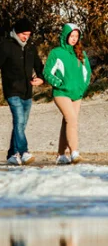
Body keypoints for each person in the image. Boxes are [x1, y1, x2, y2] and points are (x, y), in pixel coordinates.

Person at [0, 17, 44, 166]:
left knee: (20, 125)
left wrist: (41, 79)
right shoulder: (5, 46)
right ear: (16, 32)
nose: (26, 37)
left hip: (27, 92)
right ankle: (24, 152)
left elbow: (39, 66)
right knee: (19, 120)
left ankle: (12, 154)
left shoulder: (31, 47)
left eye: (28, 34)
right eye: (23, 34)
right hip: (12, 90)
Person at [44, 23, 91, 165]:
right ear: (65, 36)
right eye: (71, 36)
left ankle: (60, 154)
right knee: (71, 119)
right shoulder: (56, 53)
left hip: (77, 94)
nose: (74, 39)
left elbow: (87, 73)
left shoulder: (81, 53)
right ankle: (74, 152)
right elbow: (47, 72)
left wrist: (82, 87)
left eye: (76, 36)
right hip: (61, 93)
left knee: (67, 122)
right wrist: (59, 83)